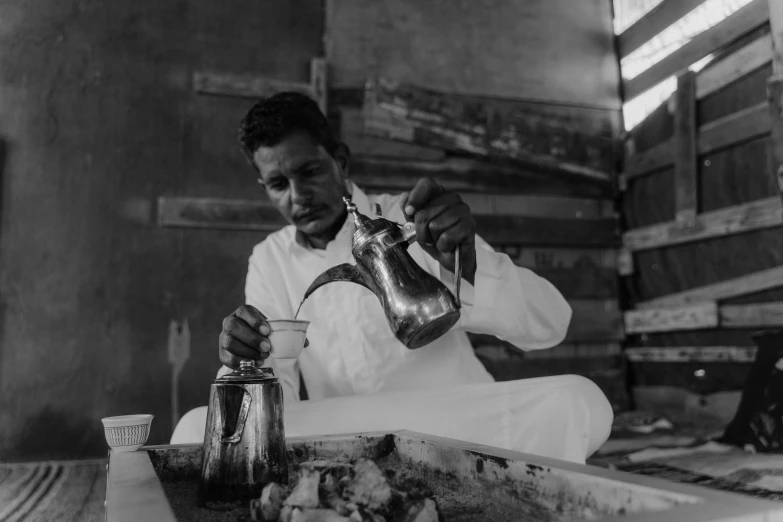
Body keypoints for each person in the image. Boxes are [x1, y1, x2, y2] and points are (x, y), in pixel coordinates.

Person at [171, 92, 613, 463]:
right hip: (350, 437)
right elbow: (277, 388)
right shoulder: (270, 258)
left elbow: (554, 325)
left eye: (309, 172)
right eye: (278, 184)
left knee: (577, 398)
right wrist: (248, 360)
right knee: (195, 427)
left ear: (340, 160)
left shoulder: (415, 220)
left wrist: (465, 265)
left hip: (454, 423)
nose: (298, 196)